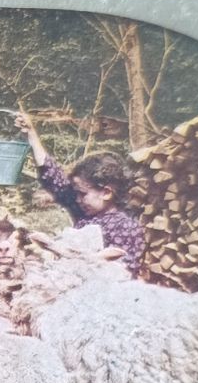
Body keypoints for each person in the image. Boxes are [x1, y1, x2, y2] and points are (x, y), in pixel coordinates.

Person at [12, 109, 145, 273]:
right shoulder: (84, 210)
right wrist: (31, 134)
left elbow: (123, 272)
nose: (77, 199)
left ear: (106, 193)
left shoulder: (125, 227)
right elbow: (53, 176)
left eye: (82, 193)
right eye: (76, 193)